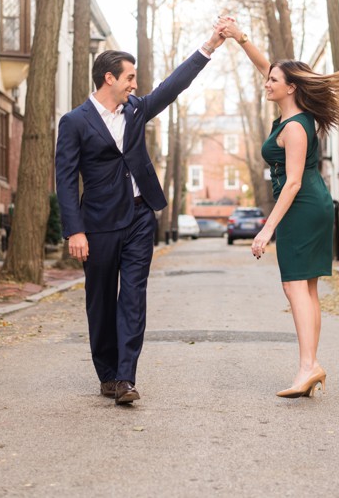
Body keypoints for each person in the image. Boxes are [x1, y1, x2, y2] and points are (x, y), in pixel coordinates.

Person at [55, 26, 228, 405]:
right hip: (98, 225)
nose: (136, 84)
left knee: (133, 296)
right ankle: (107, 373)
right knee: (100, 301)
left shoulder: (136, 110)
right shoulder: (75, 122)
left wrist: (210, 46)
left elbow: (173, 86)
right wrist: (75, 231)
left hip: (139, 218)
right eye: (130, 77)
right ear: (109, 78)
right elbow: (65, 180)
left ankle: (126, 378)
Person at [219, 21, 339, 398]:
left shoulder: (294, 127)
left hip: (303, 205)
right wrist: (239, 36)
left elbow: (292, 182)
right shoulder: (289, 113)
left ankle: (308, 366)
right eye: (269, 77)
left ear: (290, 87)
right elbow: (266, 66)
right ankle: (310, 365)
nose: (267, 82)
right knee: (305, 288)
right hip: (311, 202)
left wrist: (265, 229)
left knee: (295, 287)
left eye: (274, 80)